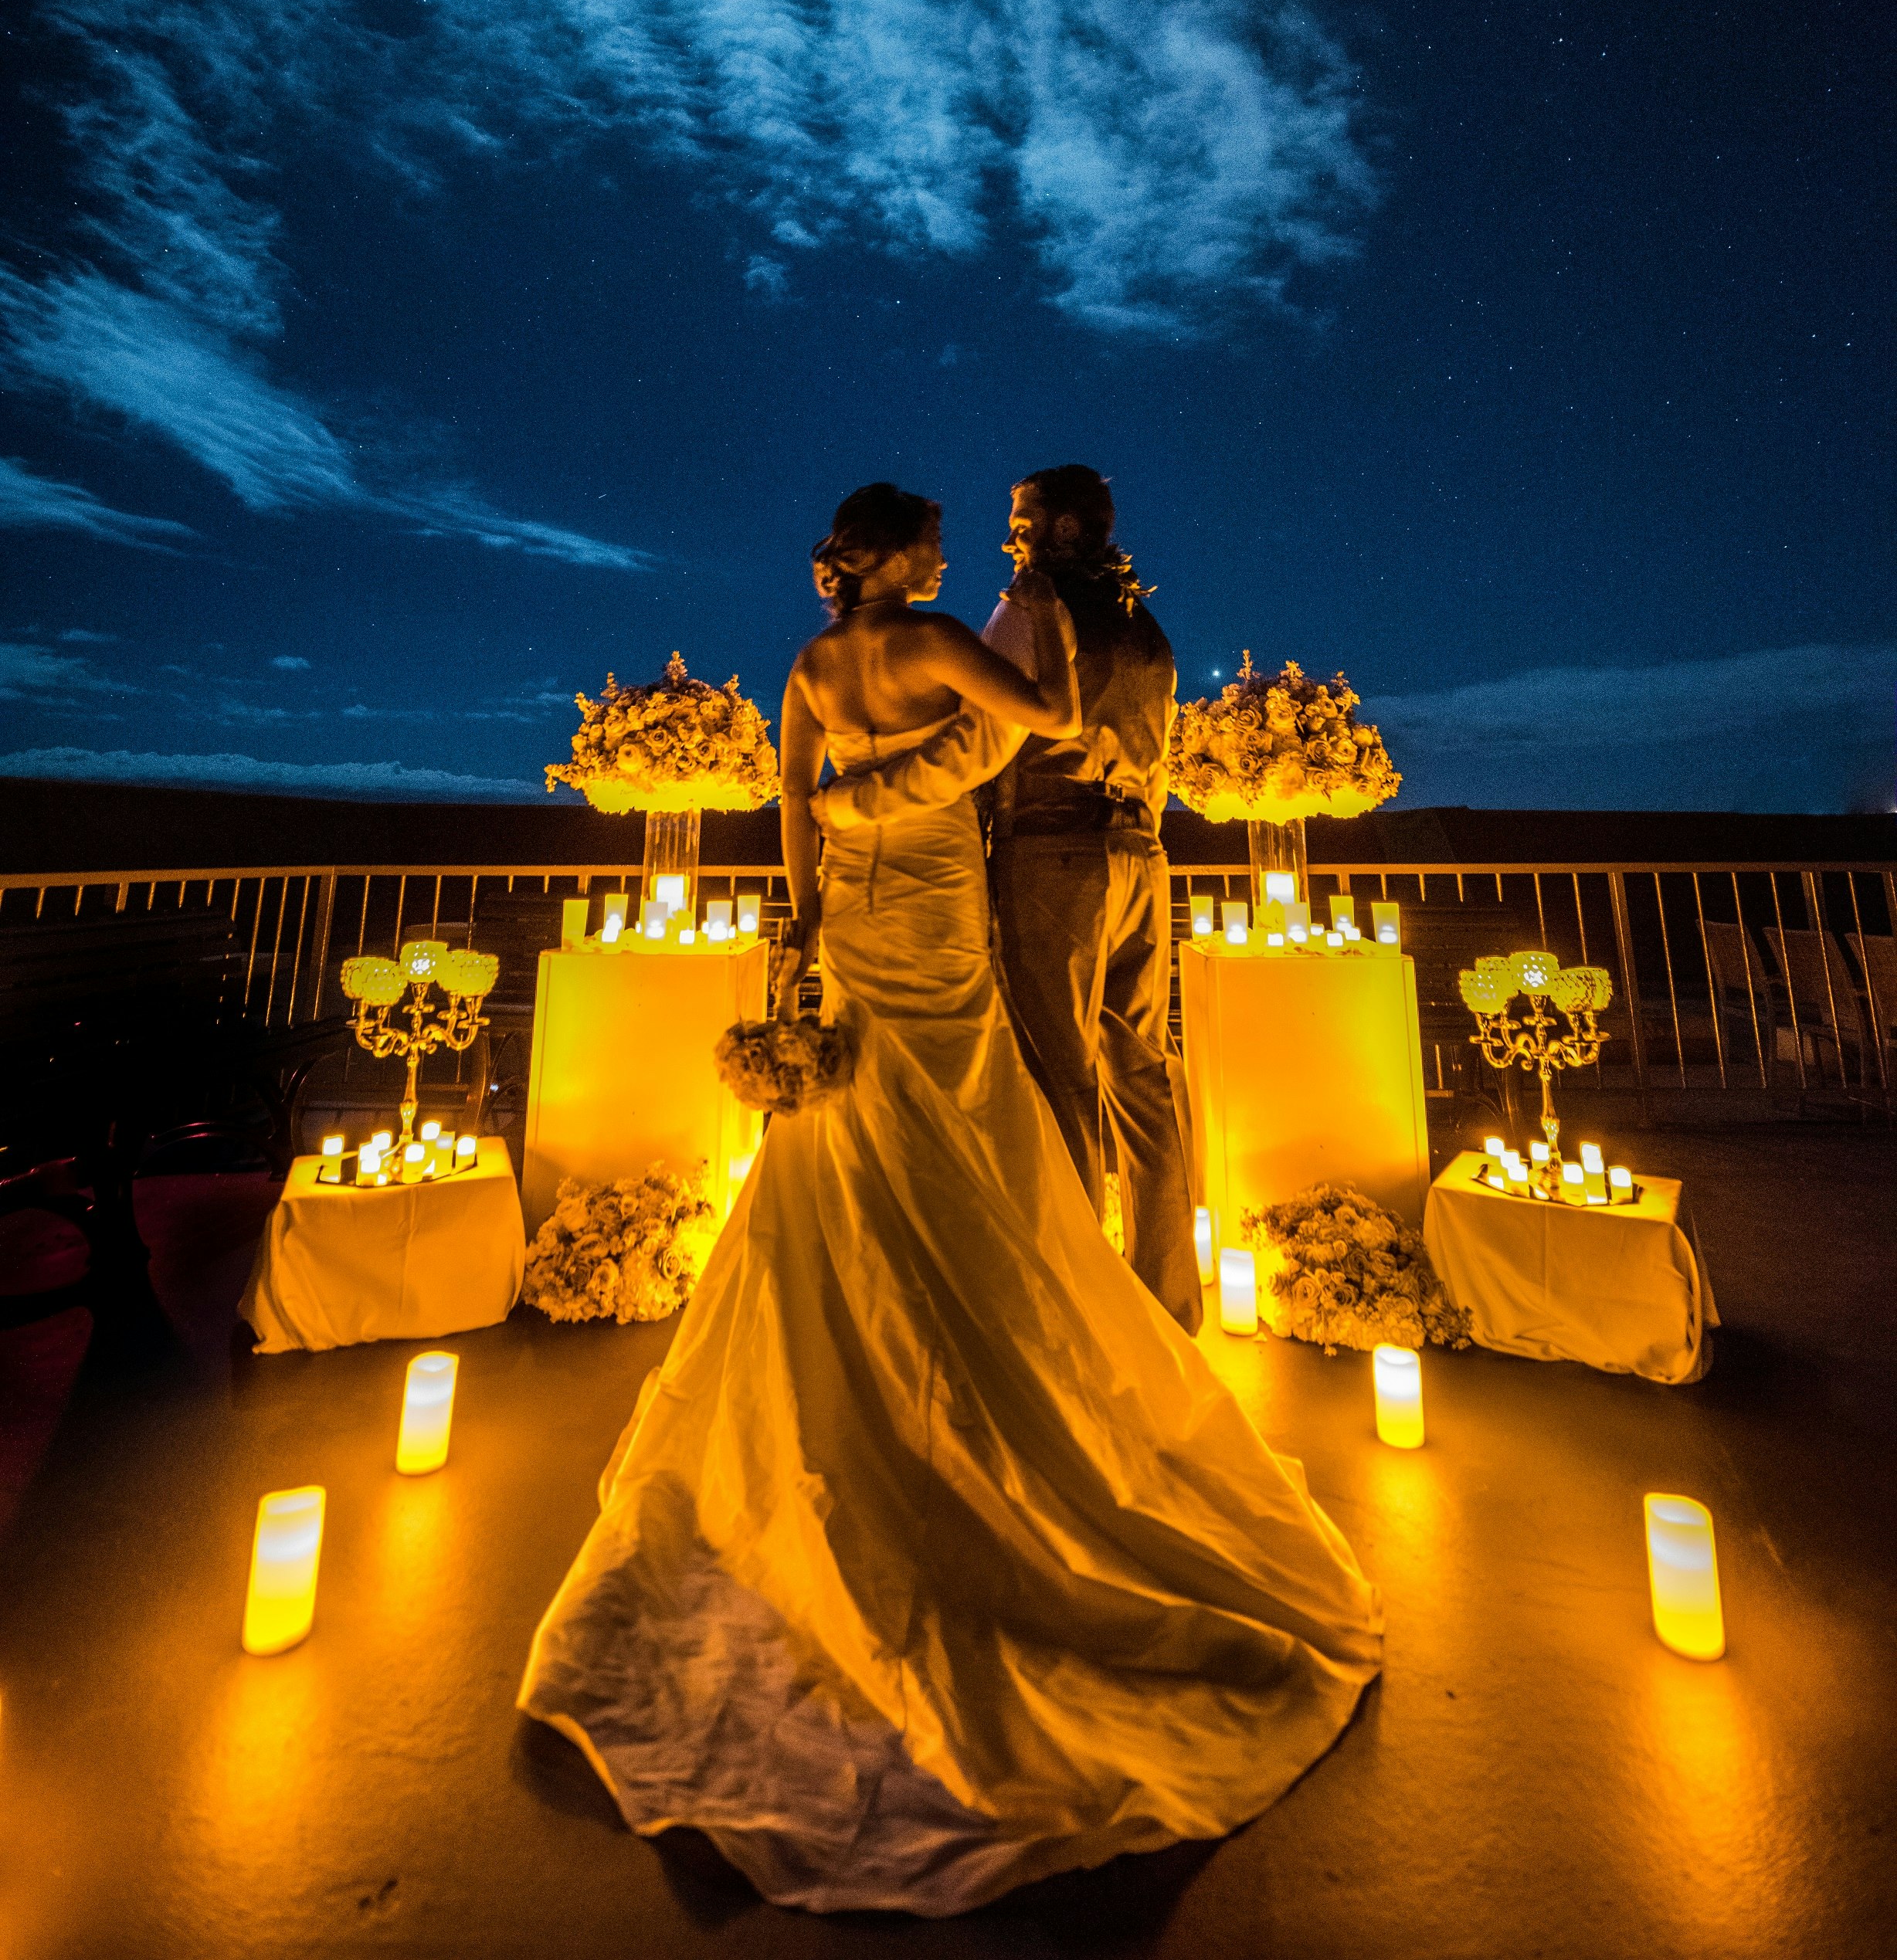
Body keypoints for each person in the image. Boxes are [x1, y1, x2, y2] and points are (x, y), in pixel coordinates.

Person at [518, 483, 1381, 1916]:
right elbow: (1040, 725)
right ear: (903, 560)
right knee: (984, 1148)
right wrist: (921, 782)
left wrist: (805, 925)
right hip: (938, 924)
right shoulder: (933, 644)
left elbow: (798, 810)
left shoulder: (805, 670)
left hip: (853, 932)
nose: (958, 552)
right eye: (936, 540)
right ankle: (1000, 1391)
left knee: (844, 1157)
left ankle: (856, 1404)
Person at [823, 464, 1200, 1331]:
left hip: (1054, 855)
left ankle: (1076, 1300)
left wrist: (862, 802)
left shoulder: (1030, 611)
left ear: (1064, 530)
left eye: (1022, 520)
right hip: (1143, 856)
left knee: (1056, 1074)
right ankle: (1169, 1299)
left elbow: (981, 742)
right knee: (1142, 1075)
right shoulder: (1145, 626)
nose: (1010, 538)